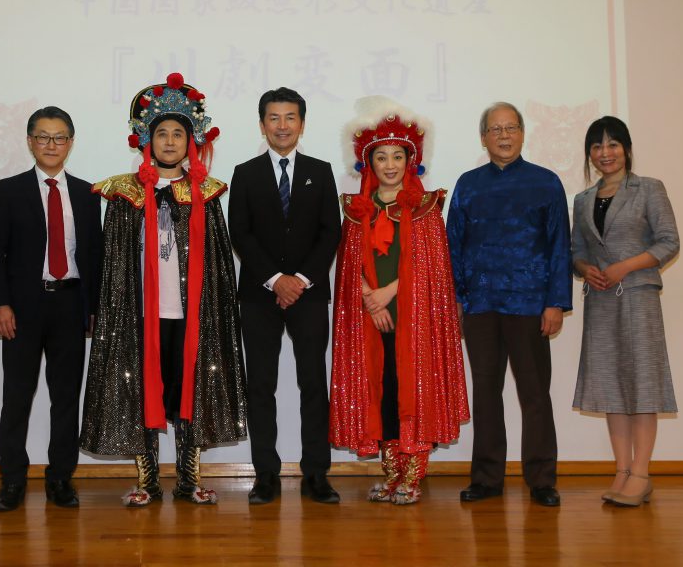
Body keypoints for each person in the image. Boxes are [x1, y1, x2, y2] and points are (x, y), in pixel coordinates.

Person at [81, 72, 247, 506]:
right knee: (141, 391)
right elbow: (114, 263)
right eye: (162, 133)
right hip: (140, 313)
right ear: (146, 140)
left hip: (190, 314)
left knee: (191, 390)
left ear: (190, 141)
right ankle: (148, 480)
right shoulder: (125, 195)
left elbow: (218, 263)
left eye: (178, 133)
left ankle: (189, 478)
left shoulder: (206, 194)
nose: (170, 141)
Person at [329, 98, 469, 505]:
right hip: (370, 320)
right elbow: (349, 265)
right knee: (384, 392)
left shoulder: (426, 209)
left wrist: (388, 292)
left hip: (414, 319)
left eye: (397, 156)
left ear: (411, 161)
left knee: (414, 389)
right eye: (381, 157)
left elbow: (430, 271)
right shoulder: (356, 211)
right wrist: (369, 299)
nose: (389, 165)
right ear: (368, 163)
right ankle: (391, 472)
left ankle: (413, 474)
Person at [446, 101, 571, 507]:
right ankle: (486, 479)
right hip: (480, 304)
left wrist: (556, 302)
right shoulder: (468, 184)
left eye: (511, 127)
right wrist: (457, 298)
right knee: (485, 391)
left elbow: (560, 246)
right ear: (483, 137)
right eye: (495, 129)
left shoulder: (546, 182)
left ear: (522, 133)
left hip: (531, 305)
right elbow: (453, 245)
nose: (504, 135)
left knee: (535, 394)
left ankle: (541, 480)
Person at [0, 106, 102, 511]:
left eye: (59, 137)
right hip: (22, 307)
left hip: (70, 303)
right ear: (30, 141)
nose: (51, 145)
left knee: (66, 397)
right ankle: (12, 481)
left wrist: (93, 307)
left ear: (70, 143)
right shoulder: (10, 189)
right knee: (17, 396)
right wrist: (0, 304)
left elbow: (94, 255)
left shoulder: (87, 193)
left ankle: (60, 479)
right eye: (43, 137)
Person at [228, 87, 342, 504]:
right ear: (262, 125)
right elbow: (240, 232)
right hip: (259, 296)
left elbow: (331, 232)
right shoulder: (245, 173)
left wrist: (301, 280)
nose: (282, 126)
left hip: (308, 295)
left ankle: (317, 473)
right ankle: (265, 475)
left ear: (302, 124)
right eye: (273, 118)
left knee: (313, 382)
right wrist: (276, 279)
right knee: (261, 385)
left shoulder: (320, 171)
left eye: (290, 117)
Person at [571, 116, 679, 507]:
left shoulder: (649, 188)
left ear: (627, 149)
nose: (605, 153)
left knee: (642, 384)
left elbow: (669, 242)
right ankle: (621, 471)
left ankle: (641, 473)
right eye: (597, 146)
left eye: (613, 144)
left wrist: (625, 267)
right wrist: (585, 268)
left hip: (637, 297)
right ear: (590, 154)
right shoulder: (583, 199)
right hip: (600, 300)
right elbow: (576, 250)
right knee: (610, 385)